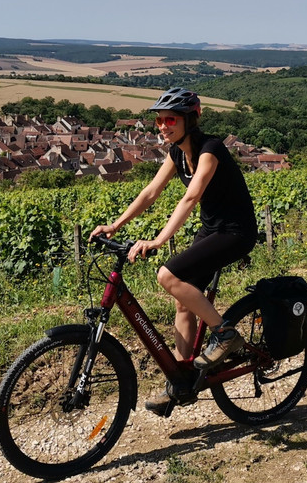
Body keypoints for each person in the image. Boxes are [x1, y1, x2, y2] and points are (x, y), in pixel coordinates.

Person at [89, 87, 258, 415]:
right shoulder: (177, 153)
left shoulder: (211, 150)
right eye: (159, 121)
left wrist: (159, 241)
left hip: (236, 232)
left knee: (167, 275)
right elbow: (150, 192)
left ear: (190, 120)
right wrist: (115, 225)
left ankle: (225, 334)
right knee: (183, 300)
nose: (163, 126)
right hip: (212, 230)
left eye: (170, 119)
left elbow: (190, 198)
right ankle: (182, 379)